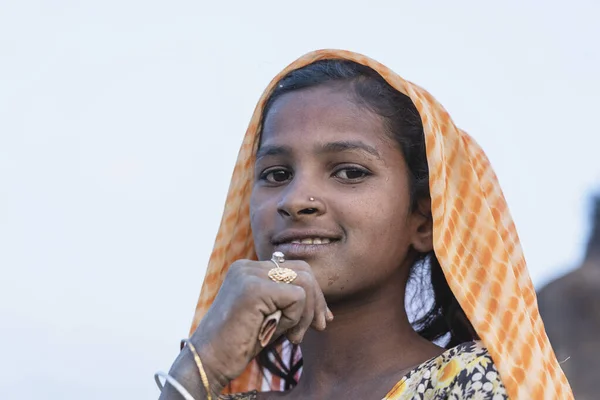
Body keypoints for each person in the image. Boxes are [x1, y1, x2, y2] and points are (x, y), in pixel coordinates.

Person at [155, 50, 573, 399]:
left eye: (350, 172)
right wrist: (196, 369)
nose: (296, 199)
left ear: (425, 221)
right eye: (277, 174)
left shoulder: (473, 385)